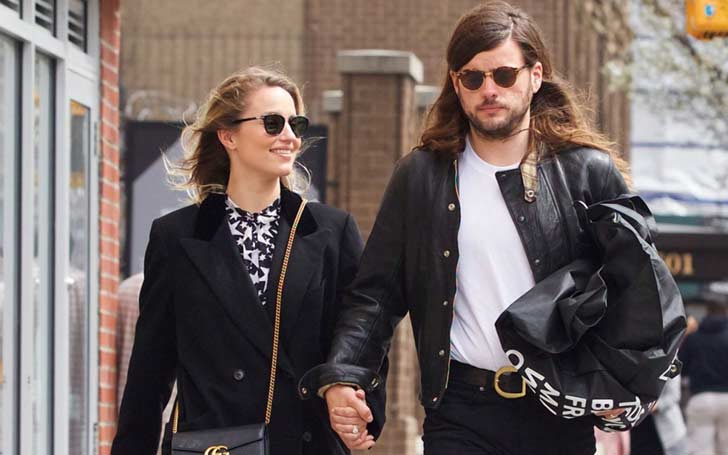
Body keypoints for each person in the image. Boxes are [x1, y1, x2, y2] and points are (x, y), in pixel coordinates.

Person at [299, 2, 639, 454]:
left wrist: (626, 381)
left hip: (558, 407)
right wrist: (345, 374)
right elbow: (375, 295)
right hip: (461, 409)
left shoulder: (586, 172)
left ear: (535, 76)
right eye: (473, 78)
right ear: (456, 84)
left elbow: (634, 286)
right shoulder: (422, 177)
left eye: (504, 75)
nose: (489, 89)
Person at [111, 67, 375, 455]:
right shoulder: (176, 237)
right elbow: (150, 371)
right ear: (228, 135)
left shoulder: (331, 231)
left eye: (296, 124)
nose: (289, 136)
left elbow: (360, 331)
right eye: (272, 123)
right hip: (213, 445)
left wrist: (356, 400)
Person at [680, 298, 728, 455]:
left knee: (700, 450)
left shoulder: (693, 338)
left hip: (701, 398)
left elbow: (681, 368)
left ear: (707, 313)